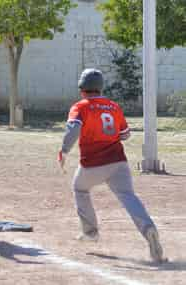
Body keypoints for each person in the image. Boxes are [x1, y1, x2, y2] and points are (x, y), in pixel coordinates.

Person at [57, 68, 167, 263]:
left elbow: (74, 128)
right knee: (128, 196)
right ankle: (148, 229)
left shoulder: (80, 106)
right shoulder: (113, 106)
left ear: (82, 88)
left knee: (79, 188)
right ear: (100, 88)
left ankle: (90, 232)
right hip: (118, 162)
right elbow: (125, 134)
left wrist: (64, 150)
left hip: (93, 164)